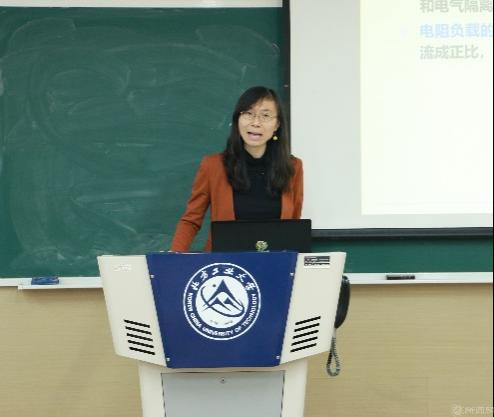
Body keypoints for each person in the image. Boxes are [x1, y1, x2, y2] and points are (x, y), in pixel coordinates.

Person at [170, 86, 303, 252]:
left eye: (265, 115)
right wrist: (173, 255)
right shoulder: (213, 166)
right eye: (248, 113)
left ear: (277, 124)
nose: (256, 122)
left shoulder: (293, 167)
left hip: (275, 263)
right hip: (223, 263)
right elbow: (191, 220)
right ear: (237, 119)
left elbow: (293, 225)